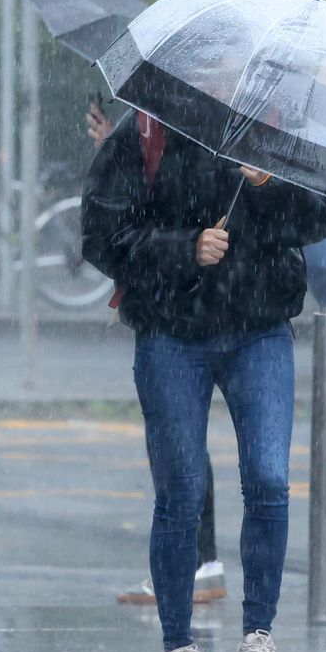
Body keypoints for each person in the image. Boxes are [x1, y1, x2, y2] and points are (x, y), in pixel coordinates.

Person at [82, 108, 326, 652]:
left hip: (260, 328)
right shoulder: (144, 130)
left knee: (270, 481)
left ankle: (257, 639)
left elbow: (319, 217)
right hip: (172, 333)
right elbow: (101, 237)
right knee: (180, 493)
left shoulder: (276, 129)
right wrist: (184, 248)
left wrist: (267, 185)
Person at [85, 100, 227, 607]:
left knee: (178, 442)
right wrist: (110, 155)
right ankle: (196, 561)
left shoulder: (180, 119)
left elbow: (171, 203)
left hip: (181, 302)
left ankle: (197, 562)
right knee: (178, 439)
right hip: (164, 296)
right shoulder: (148, 124)